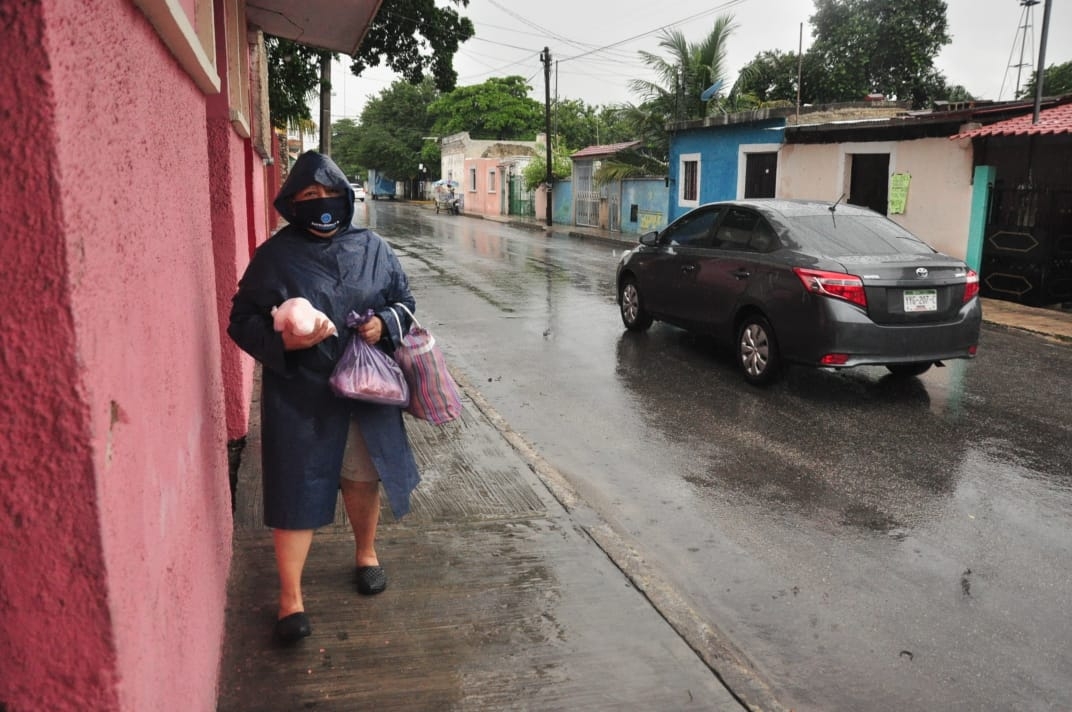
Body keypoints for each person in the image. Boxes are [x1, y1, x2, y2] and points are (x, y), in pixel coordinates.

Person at [227, 151, 421, 643]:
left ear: (343, 196)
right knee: (297, 488)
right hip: (300, 394)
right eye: (308, 196)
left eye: (328, 193)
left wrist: (384, 324)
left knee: (362, 476)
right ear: (292, 203)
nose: (321, 203)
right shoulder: (275, 255)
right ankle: (290, 600)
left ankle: (366, 554)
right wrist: (285, 344)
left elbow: (405, 302)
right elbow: (242, 319)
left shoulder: (373, 248)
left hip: (365, 389)